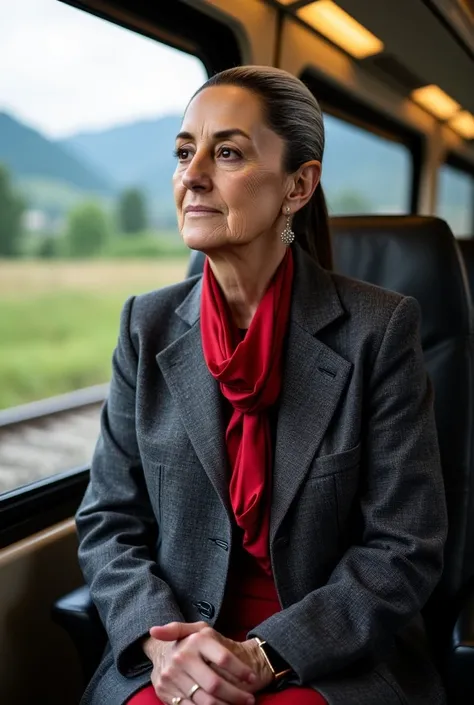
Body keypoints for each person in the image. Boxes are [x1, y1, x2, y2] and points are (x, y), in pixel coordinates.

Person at [76, 66, 448, 705]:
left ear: (299, 185)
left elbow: (403, 547)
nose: (192, 176)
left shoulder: (378, 331)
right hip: (173, 645)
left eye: (226, 153)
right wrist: (160, 644)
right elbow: (109, 520)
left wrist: (263, 656)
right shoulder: (147, 324)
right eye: (184, 152)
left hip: (326, 652)